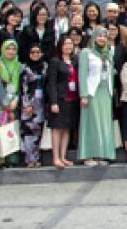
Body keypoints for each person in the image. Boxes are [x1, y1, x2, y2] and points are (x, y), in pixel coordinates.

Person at [77, 27, 116, 165]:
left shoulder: (108, 53)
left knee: (104, 123)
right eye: (99, 36)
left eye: (104, 36)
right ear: (94, 37)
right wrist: (84, 95)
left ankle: (101, 154)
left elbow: (111, 74)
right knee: (91, 123)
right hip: (92, 92)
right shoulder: (86, 53)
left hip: (106, 92)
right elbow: (82, 74)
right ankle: (89, 155)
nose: (102, 39)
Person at [0, 39, 24, 167]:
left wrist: (15, 101)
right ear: (3, 49)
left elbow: (20, 86)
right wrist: (6, 102)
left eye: (13, 49)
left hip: (13, 103)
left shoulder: (19, 65)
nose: (11, 51)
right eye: (8, 48)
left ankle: (9, 159)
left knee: (9, 131)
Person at [47, 35, 79, 168]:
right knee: (57, 128)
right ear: (60, 46)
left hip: (72, 99)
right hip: (60, 99)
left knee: (67, 129)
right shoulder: (55, 61)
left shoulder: (74, 60)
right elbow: (51, 83)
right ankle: (55, 158)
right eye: (65, 44)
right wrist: (53, 102)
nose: (68, 46)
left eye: (70, 44)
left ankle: (63, 156)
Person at [20, 43, 48, 167]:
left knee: (38, 131)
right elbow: (23, 87)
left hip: (41, 104)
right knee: (28, 132)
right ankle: (29, 159)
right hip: (29, 104)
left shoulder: (44, 66)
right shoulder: (25, 68)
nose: (36, 54)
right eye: (33, 52)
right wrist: (26, 104)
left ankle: (36, 158)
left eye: (38, 52)